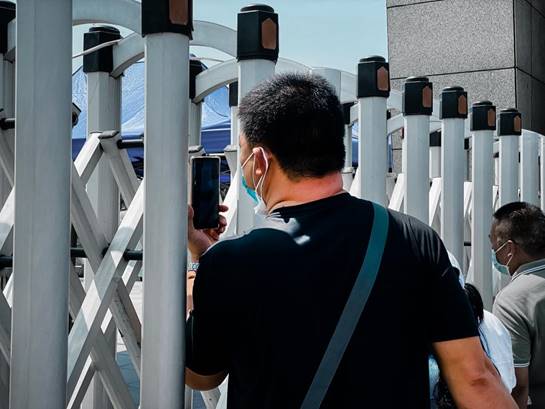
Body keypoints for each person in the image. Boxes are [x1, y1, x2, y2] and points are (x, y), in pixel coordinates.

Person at [185, 73, 517, 409]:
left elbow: (201, 375)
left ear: (259, 161)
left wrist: (201, 259)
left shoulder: (229, 262)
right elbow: (475, 378)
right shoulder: (415, 239)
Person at [491, 202, 545, 408]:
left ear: (510, 249)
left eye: (495, 247)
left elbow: (518, 386)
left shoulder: (512, 301)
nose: (494, 252)